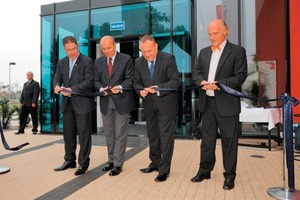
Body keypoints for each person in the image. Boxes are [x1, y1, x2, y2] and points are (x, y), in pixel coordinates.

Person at [191, 19, 248, 190]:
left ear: (225, 31)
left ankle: (229, 176)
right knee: (207, 141)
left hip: (227, 104)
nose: (211, 37)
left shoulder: (237, 51)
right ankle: (205, 170)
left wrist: (218, 84)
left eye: (215, 33)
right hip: (207, 103)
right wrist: (201, 81)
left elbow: (240, 76)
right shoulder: (203, 52)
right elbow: (196, 73)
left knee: (229, 142)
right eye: (209, 34)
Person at [134, 35, 180, 182]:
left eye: (149, 51)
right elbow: (136, 82)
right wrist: (140, 91)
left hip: (166, 105)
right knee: (153, 136)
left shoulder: (168, 59)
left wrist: (158, 88)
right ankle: (154, 163)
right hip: (149, 105)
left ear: (156, 47)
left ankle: (164, 170)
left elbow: (175, 81)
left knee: (166, 138)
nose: (146, 54)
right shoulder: (138, 62)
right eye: (143, 51)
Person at [94, 35, 136, 176]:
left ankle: (118, 164)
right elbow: (95, 80)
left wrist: (120, 86)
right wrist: (100, 88)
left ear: (115, 45)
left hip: (122, 101)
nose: (106, 51)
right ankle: (111, 160)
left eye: (109, 48)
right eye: (103, 49)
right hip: (106, 102)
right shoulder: (98, 62)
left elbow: (131, 79)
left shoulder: (126, 59)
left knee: (120, 134)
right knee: (109, 134)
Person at [53, 36, 94, 176]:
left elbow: (89, 82)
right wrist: (56, 86)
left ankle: (83, 163)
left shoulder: (87, 61)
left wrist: (72, 90)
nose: (72, 52)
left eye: (74, 49)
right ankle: (69, 160)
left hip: (82, 103)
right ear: (64, 49)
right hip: (67, 104)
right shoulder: (62, 62)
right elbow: (57, 77)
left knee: (84, 135)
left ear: (77, 46)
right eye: (68, 50)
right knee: (68, 134)